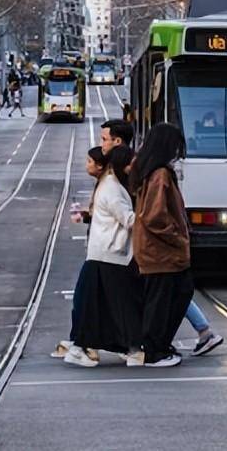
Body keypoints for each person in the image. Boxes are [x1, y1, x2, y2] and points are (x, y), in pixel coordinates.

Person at [68, 146, 144, 367]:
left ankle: (119, 346)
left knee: (105, 304)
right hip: (111, 253)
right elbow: (128, 219)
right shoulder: (112, 187)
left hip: (107, 253)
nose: (133, 168)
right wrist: (150, 217)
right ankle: (86, 346)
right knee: (122, 304)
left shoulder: (110, 184)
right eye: (131, 163)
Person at [131, 123, 194, 367]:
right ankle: (155, 350)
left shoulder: (150, 170)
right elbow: (155, 216)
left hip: (157, 251)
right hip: (162, 251)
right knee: (165, 299)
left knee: (174, 294)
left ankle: (159, 344)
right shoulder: (160, 174)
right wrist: (178, 237)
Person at [53, 147, 110, 361]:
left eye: (89, 161)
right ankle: (80, 339)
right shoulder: (103, 185)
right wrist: (87, 216)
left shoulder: (109, 187)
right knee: (86, 296)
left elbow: (122, 218)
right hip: (101, 250)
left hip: (105, 251)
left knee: (85, 296)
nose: (86, 165)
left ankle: (83, 343)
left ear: (100, 166)